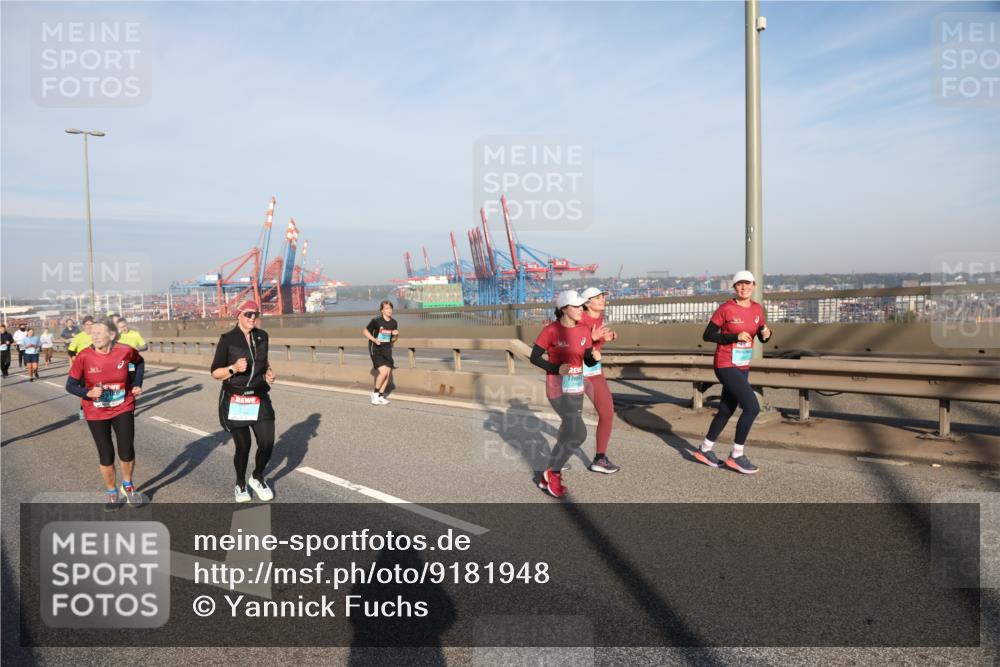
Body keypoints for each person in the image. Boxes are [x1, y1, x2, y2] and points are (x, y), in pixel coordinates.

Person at [694, 270, 772, 474]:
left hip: (742, 365)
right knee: (752, 408)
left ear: (754, 286)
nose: (744, 287)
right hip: (725, 363)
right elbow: (708, 335)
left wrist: (767, 334)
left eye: (747, 284)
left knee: (726, 410)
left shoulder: (757, 309)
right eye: (739, 284)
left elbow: (761, 335)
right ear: (734, 288)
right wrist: (734, 337)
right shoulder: (726, 309)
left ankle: (704, 449)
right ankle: (736, 456)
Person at [65, 319, 145, 510]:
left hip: (123, 405)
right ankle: (112, 492)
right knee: (106, 455)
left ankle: (128, 485)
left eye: (99, 333)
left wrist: (137, 383)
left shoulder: (125, 351)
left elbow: (139, 362)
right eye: (93, 333)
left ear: (112, 335)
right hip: (96, 411)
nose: (95, 336)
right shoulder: (84, 356)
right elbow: (70, 385)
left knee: (126, 450)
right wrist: (87, 392)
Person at [530, 290, 601, 498]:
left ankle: (548, 474)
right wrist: (555, 368)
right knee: (579, 433)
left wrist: (594, 358)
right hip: (557, 389)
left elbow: (586, 359)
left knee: (571, 431)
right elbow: (534, 357)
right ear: (564, 309)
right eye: (576, 306)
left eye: (581, 306)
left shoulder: (584, 330)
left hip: (576, 388)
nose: (581, 310)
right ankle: (554, 473)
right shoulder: (551, 330)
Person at [210, 301, 277, 503]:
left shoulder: (262, 336)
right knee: (244, 446)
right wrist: (233, 368)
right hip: (236, 399)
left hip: (258, 396)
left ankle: (257, 477)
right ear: (238, 315)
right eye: (248, 314)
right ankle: (240, 483)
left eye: (255, 314)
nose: (252, 317)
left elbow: (263, 361)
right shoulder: (228, 339)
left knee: (267, 442)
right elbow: (215, 372)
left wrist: (268, 372)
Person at [579, 286, 620, 474]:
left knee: (607, 413)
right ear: (587, 303)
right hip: (576, 372)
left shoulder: (599, 317)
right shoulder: (580, 320)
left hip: (594, 370)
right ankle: (556, 460)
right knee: (571, 419)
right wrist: (592, 338)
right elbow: (574, 346)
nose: (602, 299)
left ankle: (599, 459)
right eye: (597, 297)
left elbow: (594, 344)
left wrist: (605, 338)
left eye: (603, 296)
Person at [363, 300, 398, 406]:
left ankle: (381, 396)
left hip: (387, 349)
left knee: (387, 373)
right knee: (383, 372)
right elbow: (365, 331)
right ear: (382, 310)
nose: (389, 310)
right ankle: (375, 393)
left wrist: (396, 335)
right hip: (376, 349)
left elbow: (393, 340)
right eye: (386, 308)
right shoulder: (376, 321)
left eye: (390, 308)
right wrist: (374, 340)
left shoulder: (394, 322)